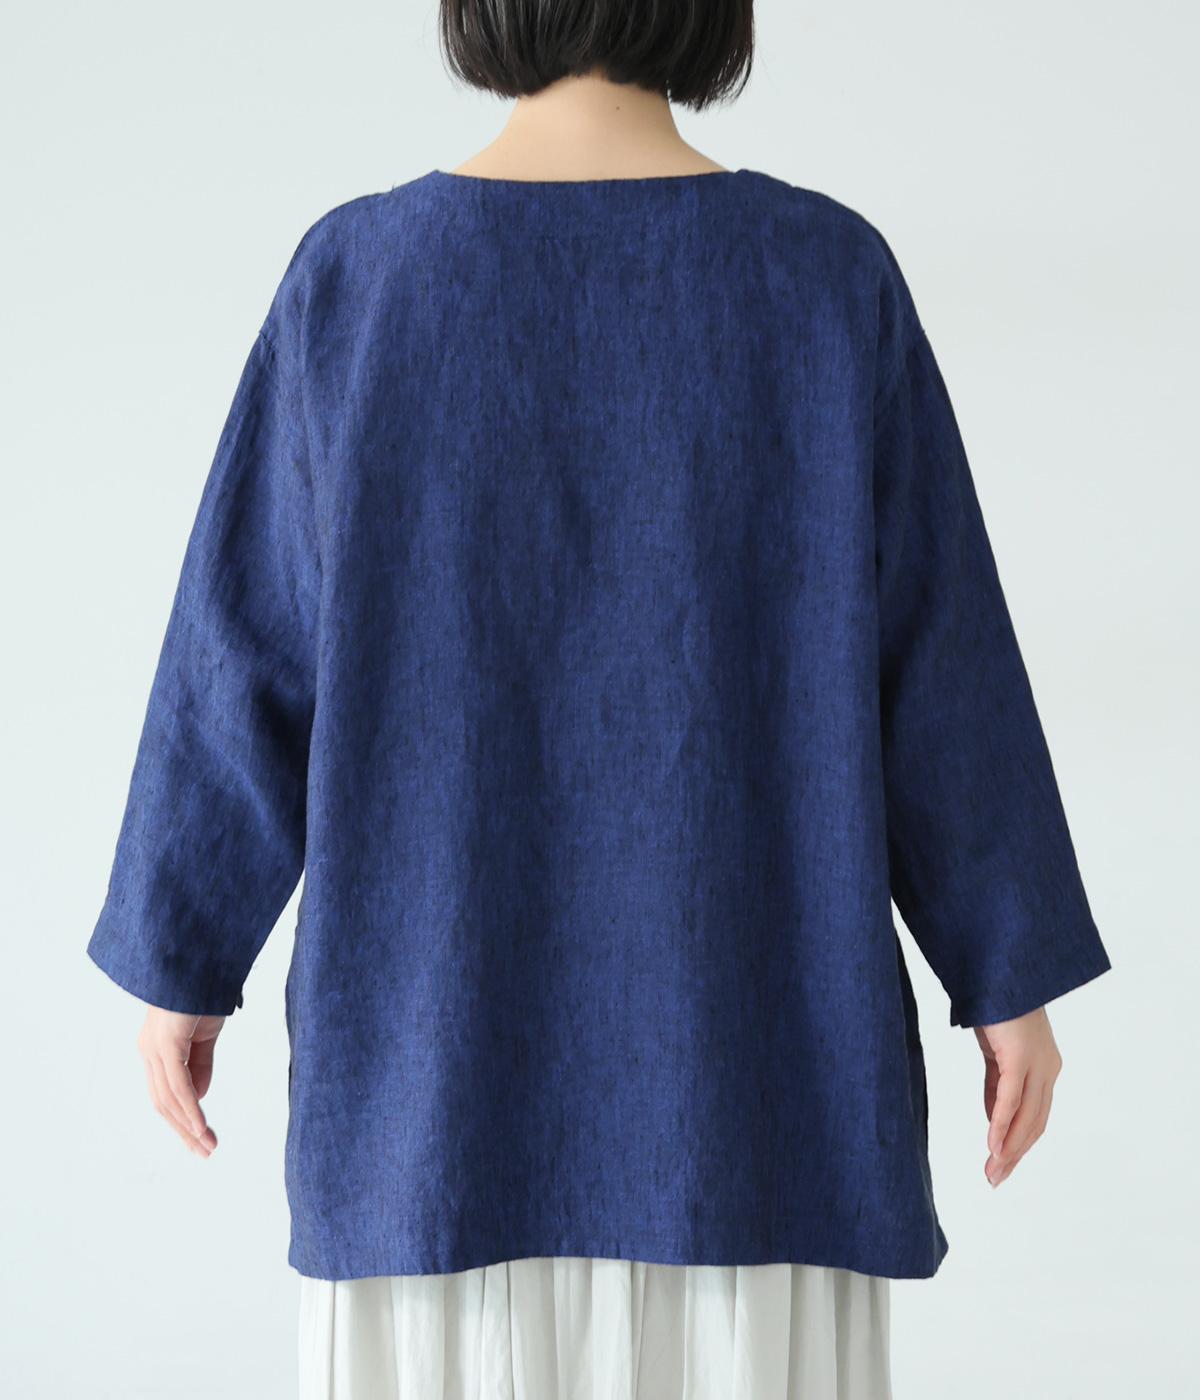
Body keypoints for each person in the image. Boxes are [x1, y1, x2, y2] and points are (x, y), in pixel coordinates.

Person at [87, 3, 1113, 1396]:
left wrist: (182, 954)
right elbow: (938, 665)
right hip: (758, 1092)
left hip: (428, 1097)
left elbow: (247, 648)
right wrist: (1006, 974)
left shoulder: (362, 278)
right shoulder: (822, 276)